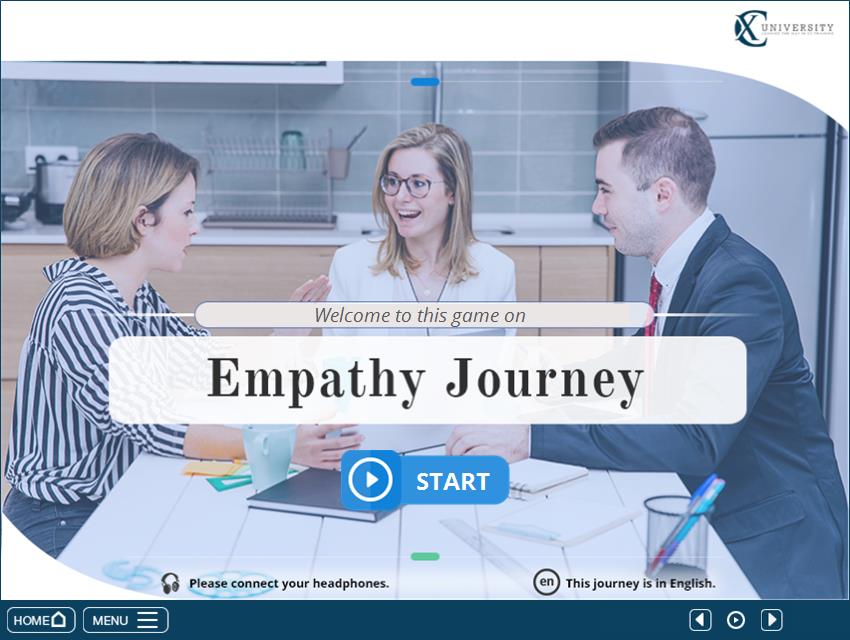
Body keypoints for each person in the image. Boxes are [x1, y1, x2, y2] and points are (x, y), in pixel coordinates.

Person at [447, 107, 848, 599]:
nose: (597, 206)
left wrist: (530, 438)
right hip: (709, 518)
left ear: (661, 194)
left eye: (606, 190)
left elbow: (695, 436)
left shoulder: (740, 284)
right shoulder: (685, 273)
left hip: (776, 547)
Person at [2, 133, 361, 558]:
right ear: (143, 220)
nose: (195, 225)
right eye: (187, 211)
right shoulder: (80, 309)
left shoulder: (136, 295)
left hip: (115, 499)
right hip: (58, 519)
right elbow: (155, 425)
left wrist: (284, 338)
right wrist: (279, 446)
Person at [324, 123, 516, 334]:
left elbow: (501, 354)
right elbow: (336, 354)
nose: (400, 197)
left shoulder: (497, 271)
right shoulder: (350, 265)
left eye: (418, 184)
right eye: (393, 181)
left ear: (452, 191)